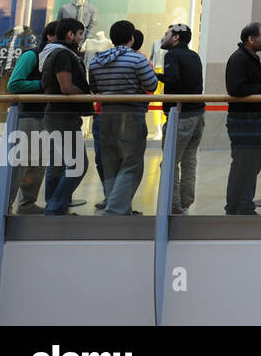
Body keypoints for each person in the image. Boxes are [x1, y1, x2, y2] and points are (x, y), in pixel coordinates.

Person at [87, 20, 158, 215]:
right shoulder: (138, 60)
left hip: (106, 114)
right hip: (131, 114)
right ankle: (116, 210)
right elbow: (151, 85)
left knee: (110, 162)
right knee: (131, 162)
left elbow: (94, 88)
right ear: (132, 38)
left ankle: (118, 205)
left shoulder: (96, 60)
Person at [39, 18, 92, 215]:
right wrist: (87, 95)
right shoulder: (63, 55)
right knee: (79, 164)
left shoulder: (52, 53)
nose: (81, 38)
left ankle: (55, 207)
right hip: (63, 116)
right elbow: (66, 87)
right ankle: (55, 207)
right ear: (70, 34)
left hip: (56, 114)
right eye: (79, 34)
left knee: (58, 163)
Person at [224, 22, 261, 215]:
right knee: (242, 163)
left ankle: (245, 204)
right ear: (251, 39)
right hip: (242, 121)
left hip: (253, 119)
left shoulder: (251, 58)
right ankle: (234, 206)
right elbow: (236, 89)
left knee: (253, 163)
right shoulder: (239, 59)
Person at [5, 22, 57, 214]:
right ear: (51, 36)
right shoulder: (31, 55)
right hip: (27, 115)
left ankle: (27, 203)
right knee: (19, 164)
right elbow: (14, 84)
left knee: (38, 163)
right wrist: (43, 84)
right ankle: (5, 205)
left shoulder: (53, 57)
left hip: (45, 116)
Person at [156, 23, 204, 215]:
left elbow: (174, 79)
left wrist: (155, 75)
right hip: (198, 114)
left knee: (169, 161)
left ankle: (173, 205)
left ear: (176, 37)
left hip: (181, 116)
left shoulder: (172, 55)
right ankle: (185, 203)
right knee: (189, 160)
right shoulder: (194, 56)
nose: (163, 37)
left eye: (167, 34)